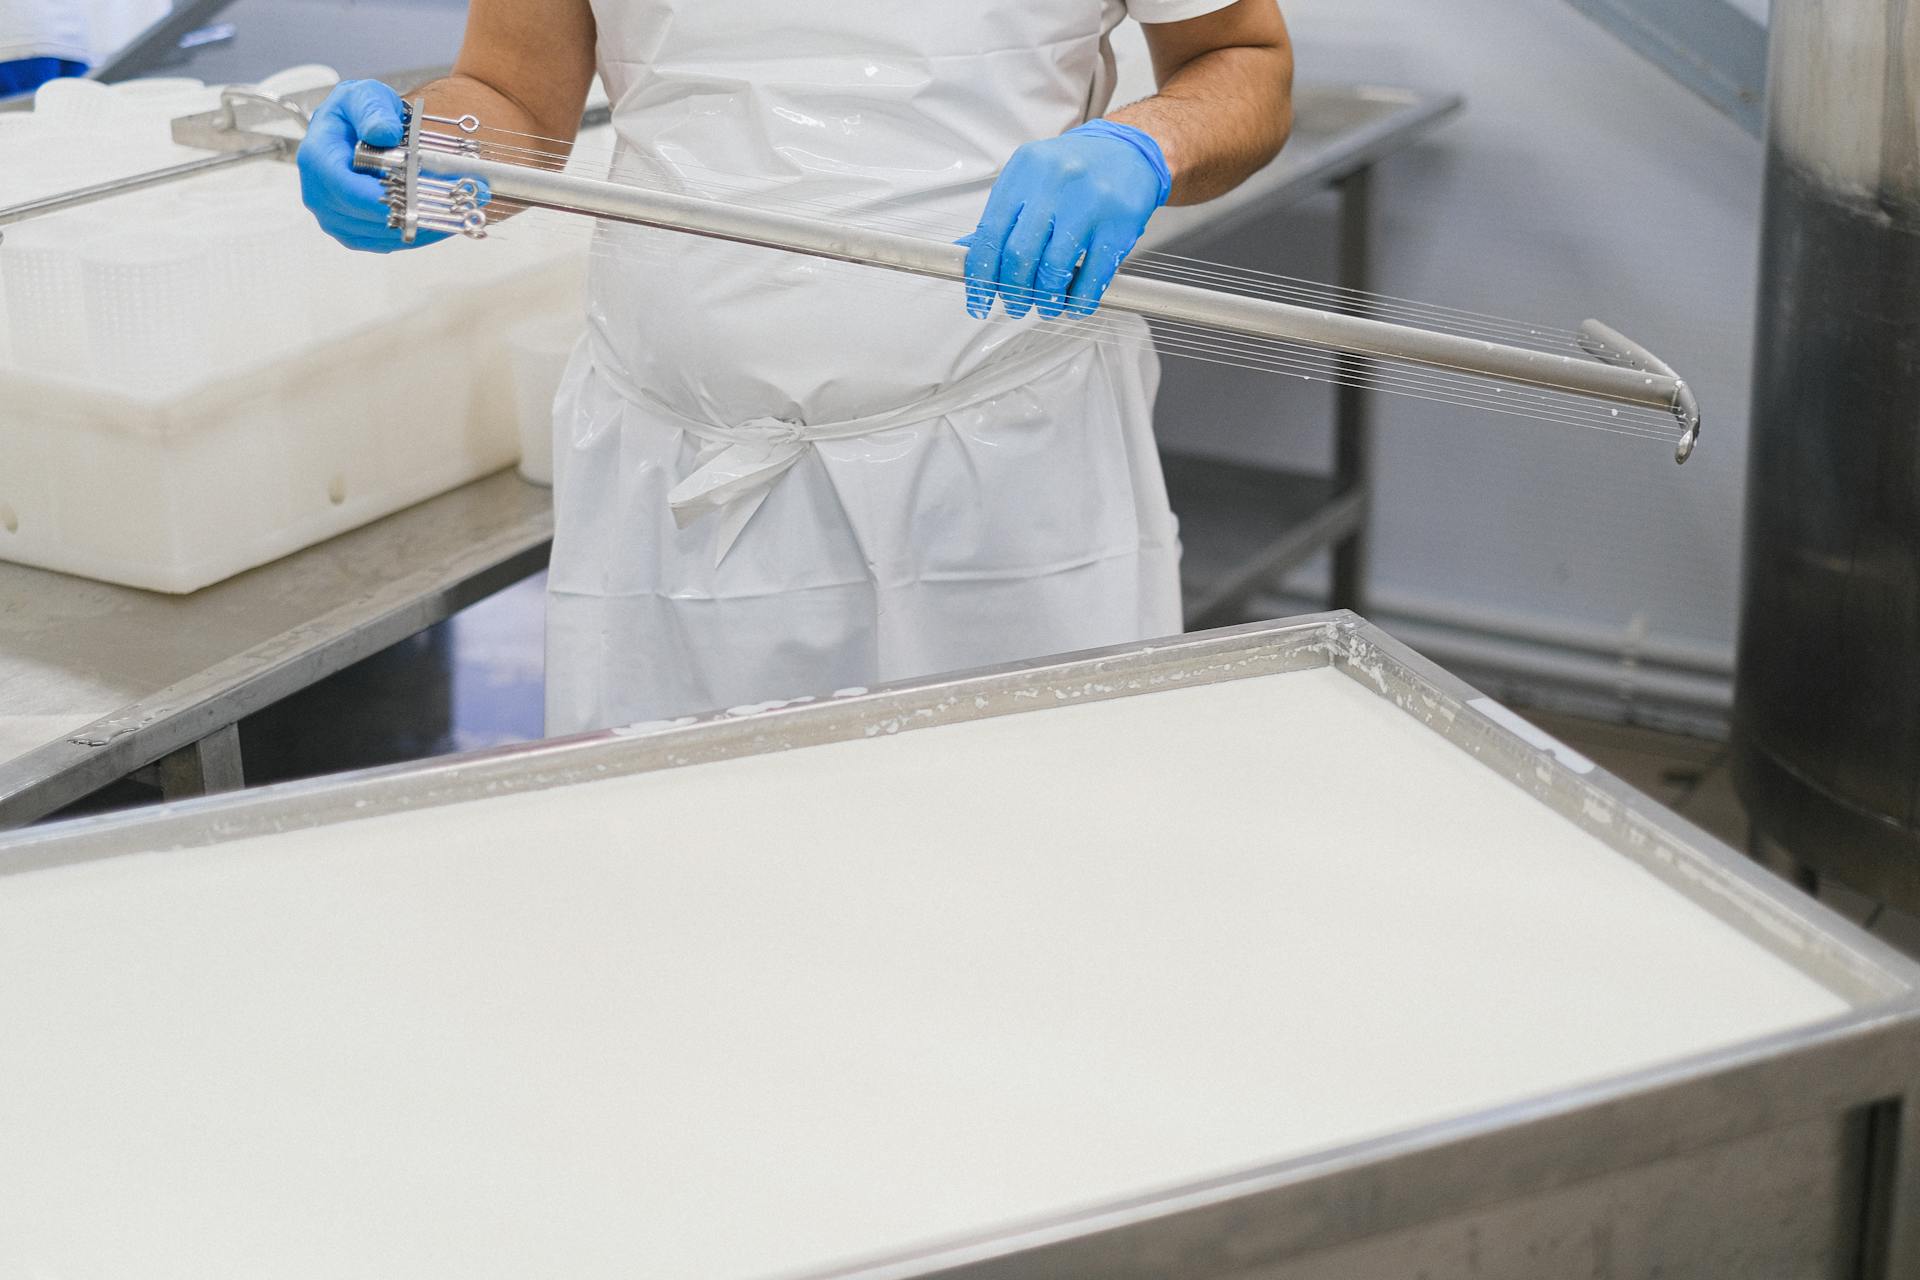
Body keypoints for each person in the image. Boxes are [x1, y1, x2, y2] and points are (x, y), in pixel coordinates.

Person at [299, 0, 1293, 733]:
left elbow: (1242, 58)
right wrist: (424, 159)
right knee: (697, 899)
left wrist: (1145, 143)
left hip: (1001, 472)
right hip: (682, 482)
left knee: (1022, 869)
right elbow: (517, 93)